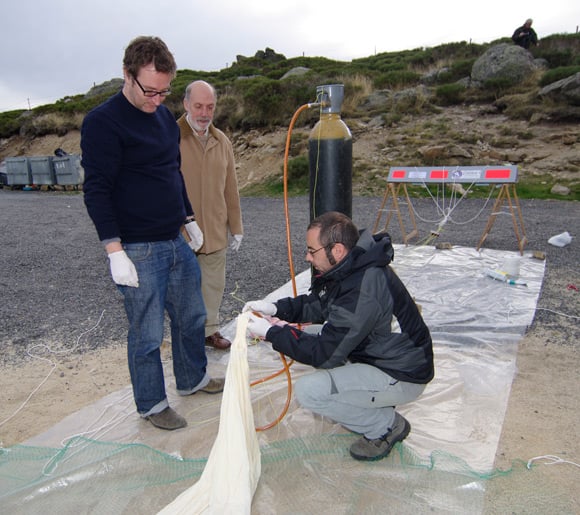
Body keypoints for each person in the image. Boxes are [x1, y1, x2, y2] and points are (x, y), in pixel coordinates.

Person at [81, 36, 224, 431]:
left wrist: (189, 218)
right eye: (150, 90)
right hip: (137, 248)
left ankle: (193, 378)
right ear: (127, 75)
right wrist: (114, 251)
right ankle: (152, 403)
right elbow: (96, 189)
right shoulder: (102, 123)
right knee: (146, 333)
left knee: (192, 315)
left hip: (174, 239)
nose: (157, 100)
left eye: (164, 91)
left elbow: (171, 172)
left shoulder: (162, 118)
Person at [244, 211, 434, 461]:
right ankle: (375, 400)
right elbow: (318, 304)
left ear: (338, 250)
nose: (307, 257)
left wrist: (272, 332)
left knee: (310, 391)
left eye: (312, 251)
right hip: (382, 353)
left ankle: (386, 426)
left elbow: (325, 355)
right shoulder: (353, 266)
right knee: (308, 333)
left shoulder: (363, 287)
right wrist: (276, 309)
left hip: (401, 373)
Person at [178, 80, 243, 350]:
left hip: (215, 229)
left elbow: (231, 186)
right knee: (181, 288)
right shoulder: (170, 136)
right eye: (198, 106)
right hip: (180, 233)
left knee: (214, 284)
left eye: (210, 106)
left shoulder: (221, 140)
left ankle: (210, 330)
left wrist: (236, 226)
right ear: (186, 105)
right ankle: (185, 336)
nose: (204, 113)